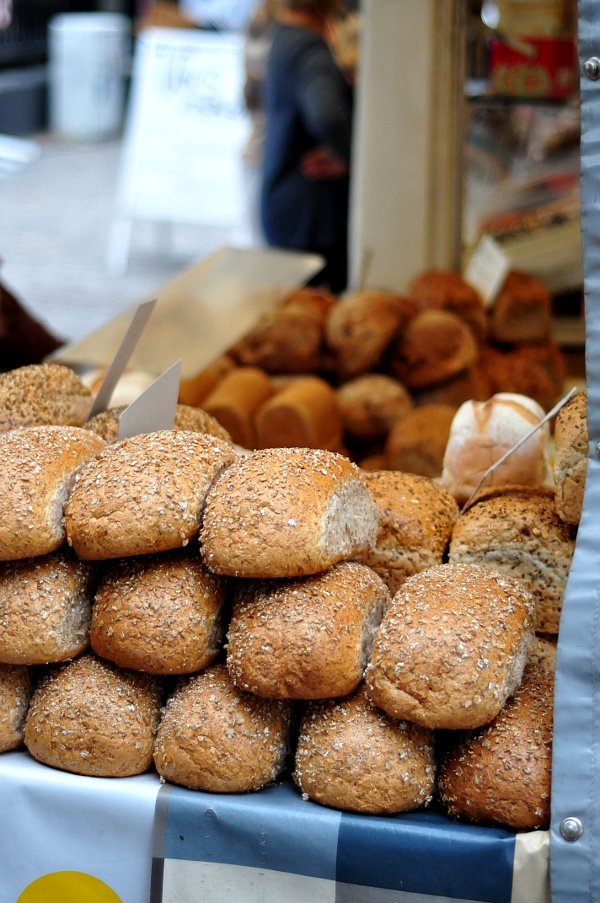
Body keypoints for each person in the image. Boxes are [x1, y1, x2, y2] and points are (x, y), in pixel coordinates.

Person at [261, 0, 353, 294]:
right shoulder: (310, 49)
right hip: (313, 215)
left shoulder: (284, 37)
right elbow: (327, 115)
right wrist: (351, 157)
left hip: (288, 203)